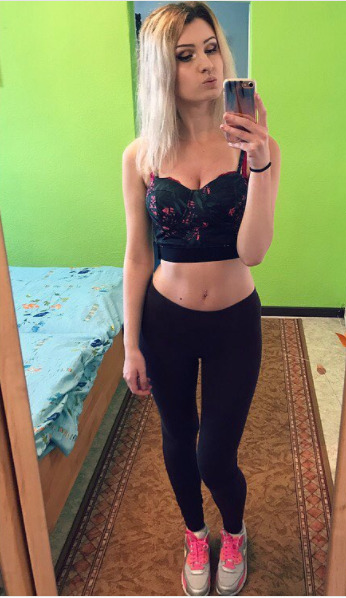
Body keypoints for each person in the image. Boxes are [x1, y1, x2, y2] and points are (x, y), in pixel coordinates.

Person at [121, 2, 280, 595]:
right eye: (186, 56)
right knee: (177, 439)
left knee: (216, 454)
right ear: (162, 70)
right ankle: (195, 533)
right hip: (165, 322)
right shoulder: (141, 155)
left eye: (211, 48)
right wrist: (131, 344)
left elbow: (254, 251)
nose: (207, 65)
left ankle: (233, 532)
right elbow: (138, 256)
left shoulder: (255, 148)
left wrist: (260, 164)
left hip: (234, 322)